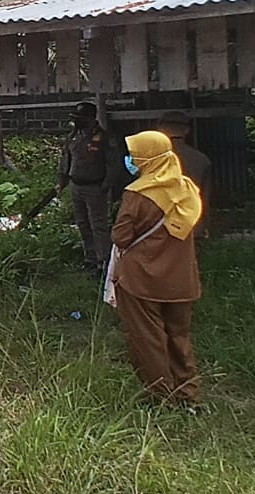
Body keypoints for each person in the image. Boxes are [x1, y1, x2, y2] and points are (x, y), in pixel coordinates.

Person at [110, 130, 204, 407]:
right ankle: (189, 396)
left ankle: (162, 397)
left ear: (149, 158)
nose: (131, 159)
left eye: (136, 154)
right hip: (181, 278)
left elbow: (121, 236)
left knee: (147, 338)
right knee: (180, 337)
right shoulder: (186, 188)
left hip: (142, 279)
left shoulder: (139, 194)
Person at [58, 101, 128, 273]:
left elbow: (114, 164)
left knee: (99, 225)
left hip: (96, 187)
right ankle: (90, 258)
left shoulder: (104, 138)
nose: (77, 121)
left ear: (91, 118)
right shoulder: (73, 136)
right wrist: (61, 180)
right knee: (82, 223)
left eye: (80, 118)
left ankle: (103, 261)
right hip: (76, 186)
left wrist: (106, 185)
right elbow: (65, 159)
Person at [156, 112, 213, 236]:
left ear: (160, 130)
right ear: (186, 131)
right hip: (192, 225)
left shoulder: (152, 158)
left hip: (159, 226)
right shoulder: (201, 159)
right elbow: (205, 197)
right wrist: (204, 224)